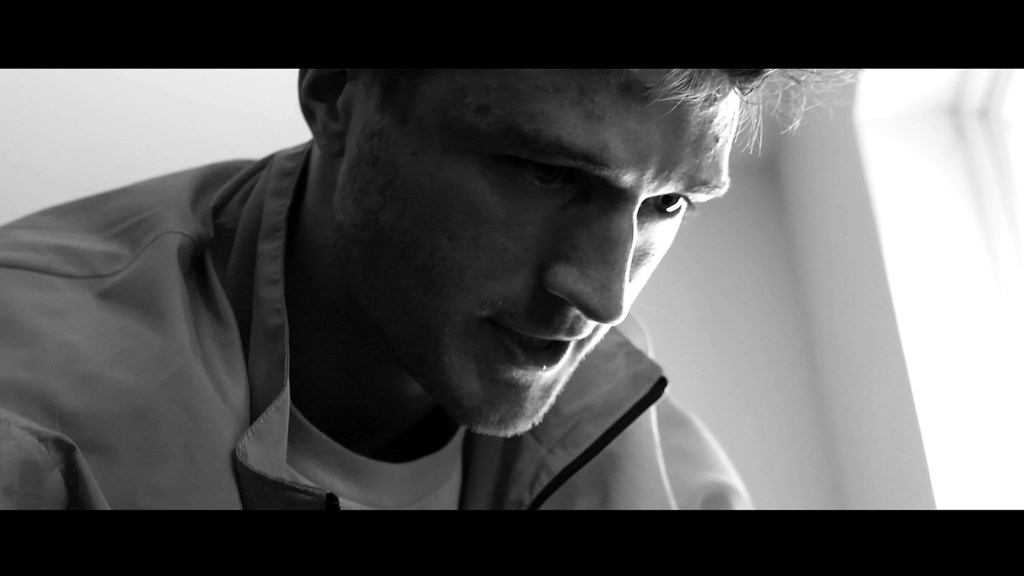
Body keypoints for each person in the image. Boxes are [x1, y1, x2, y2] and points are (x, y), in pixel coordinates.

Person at [0, 69, 850, 509]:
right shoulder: (25, 416)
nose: (603, 296)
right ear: (335, 89)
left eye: (668, 204)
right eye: (548, 173)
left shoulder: (667, 477)